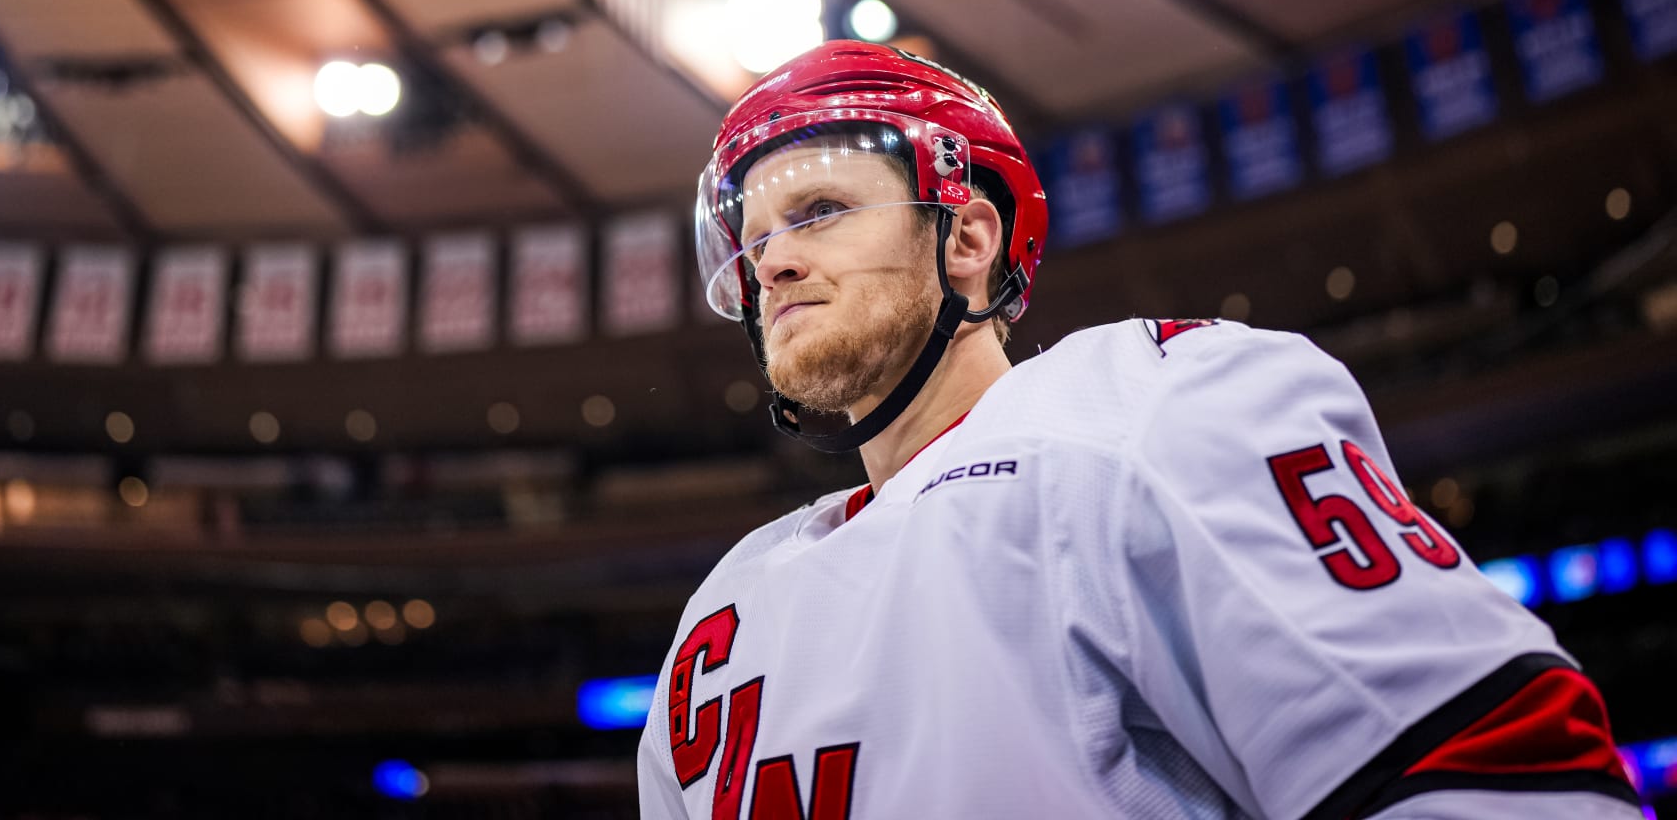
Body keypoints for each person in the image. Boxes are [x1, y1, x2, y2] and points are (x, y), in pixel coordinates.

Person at [639, 40, 1639, 819]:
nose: (772, 262)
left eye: (817, 211)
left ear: (968, 237)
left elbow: (1496, 771)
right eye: (754, 239)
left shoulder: (1147, 408)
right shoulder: (721, 614)